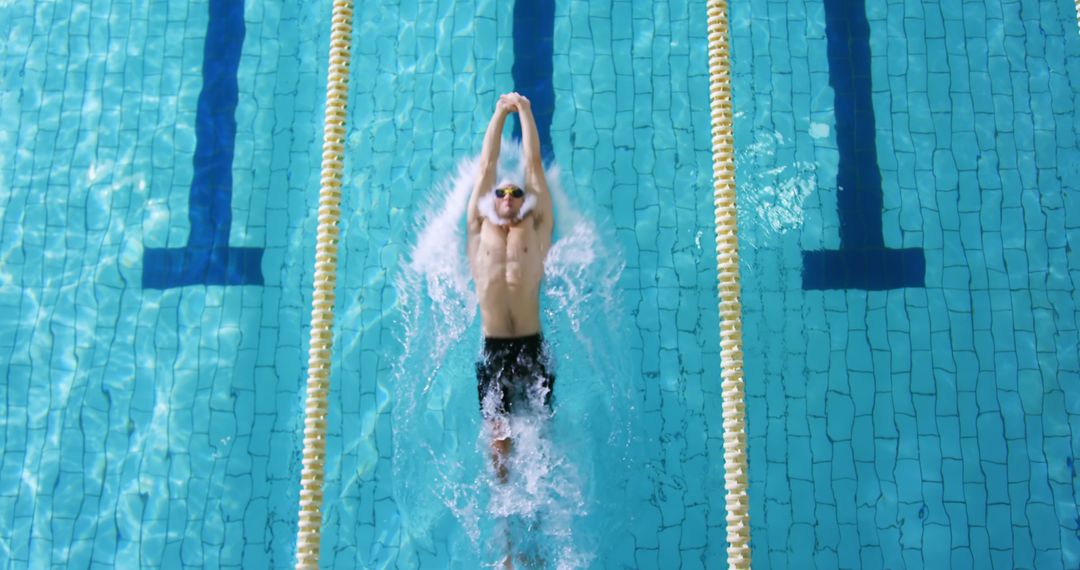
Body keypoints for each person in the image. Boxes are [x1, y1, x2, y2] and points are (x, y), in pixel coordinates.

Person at [466, 92, 555, 485]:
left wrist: (526, 110)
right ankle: (506, 535)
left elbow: (533, 165)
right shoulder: (477, 227)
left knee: (539, 444)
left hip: (532, 345)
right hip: (495, 347)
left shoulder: (536, 229)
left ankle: (538, 526)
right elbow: (486, 164)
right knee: (499, 447)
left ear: (525, 199)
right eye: (501, 192)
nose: (507, 196)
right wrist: (500, 113)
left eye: (515, 192)